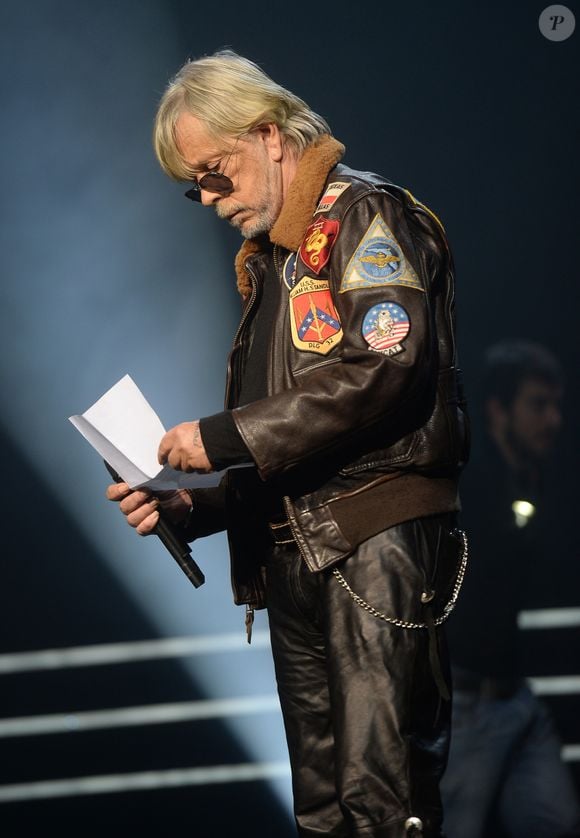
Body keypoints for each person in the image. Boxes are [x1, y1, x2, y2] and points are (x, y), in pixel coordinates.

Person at [106, 50, 469, 837]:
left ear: (269, 135)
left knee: (383, 803)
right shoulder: (274, 260)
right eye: (193, 185)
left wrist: (223, 435)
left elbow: (387, 364)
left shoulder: (363, 216)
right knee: (325, 815)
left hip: (375, 545)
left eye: (214, 170)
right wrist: (195, 509)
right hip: (298, 556)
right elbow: (304, 442)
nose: (208, 197)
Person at [441, 340, 580, 838]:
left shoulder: (534, 479)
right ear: (500, 411)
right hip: (468, 702)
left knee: (554, 819)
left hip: (513, 696)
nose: (553, 420)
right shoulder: (468, 482)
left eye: (557, 405)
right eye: (538, 405)